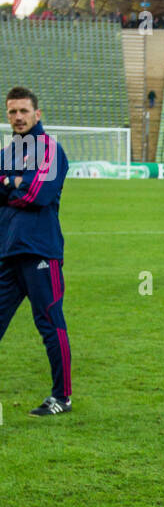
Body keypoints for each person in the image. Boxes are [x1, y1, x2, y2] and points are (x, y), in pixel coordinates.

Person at [0, 86, 71, 415]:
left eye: (23, 111)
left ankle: (62, 397)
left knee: (49, 323)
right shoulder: (7, 152)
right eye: (12, 111)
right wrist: (18, 183)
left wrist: (8, 184)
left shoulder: (50, 149)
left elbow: (38, 196)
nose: (18, 117)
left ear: (37, 114)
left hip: (41, 251)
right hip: (8, 250)